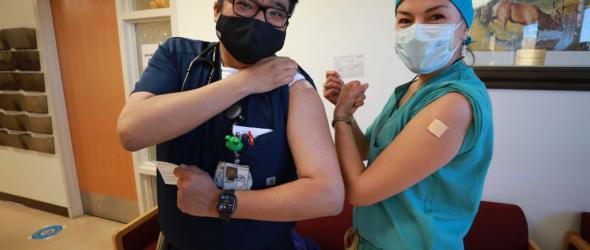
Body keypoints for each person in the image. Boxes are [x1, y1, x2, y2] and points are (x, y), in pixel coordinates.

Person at [117, 0, 344, 249]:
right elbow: (131, 132)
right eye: (245, 4)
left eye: (276, 12)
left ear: (285, 22)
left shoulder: (293, 85)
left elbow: (328, 196)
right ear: (217, 9)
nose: (259, 20)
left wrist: (218, 202)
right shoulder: (179, 58)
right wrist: (245, 82)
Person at [323, 0, 494, 249]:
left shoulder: (453, 104)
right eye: (405, 20)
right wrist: (347, 113)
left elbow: (361, 191)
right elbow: (364, 149)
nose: (417, 31)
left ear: (464, 29)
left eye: (435, 17)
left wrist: (340, 118)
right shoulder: (413, 88)